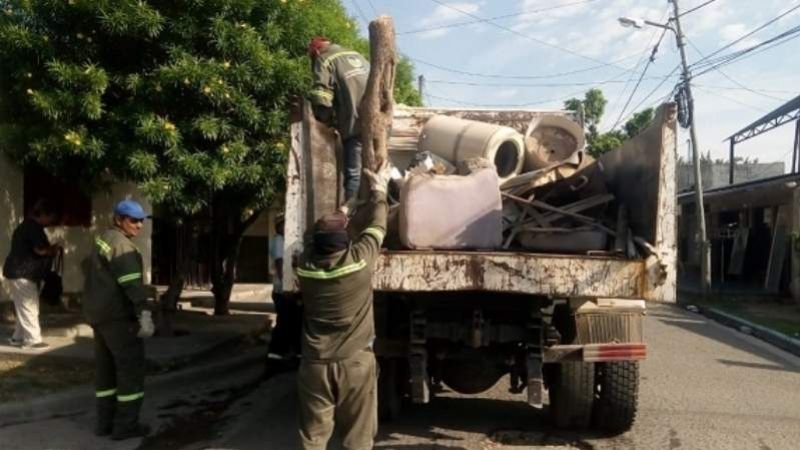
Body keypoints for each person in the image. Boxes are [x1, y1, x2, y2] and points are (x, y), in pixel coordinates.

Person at [296, 162, 391, 450]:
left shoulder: (305, 267)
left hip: (315, 365)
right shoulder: (359, 263)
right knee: (357, 438)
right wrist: (379, 191)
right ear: (345, 242)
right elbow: (378, 225)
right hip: (354, 364)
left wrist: (346, 209)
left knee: (312, 436)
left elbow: (313, 237)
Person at [83, 199, 155, 440]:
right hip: (118, 318)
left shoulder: (104, 239)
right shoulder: (123, 247)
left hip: (99, 316)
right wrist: (144, 313)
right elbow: (132, 284)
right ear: (119, 220)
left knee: (106, 374)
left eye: (142, 220)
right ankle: (125, 427)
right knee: (130, 371)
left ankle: (105, 424)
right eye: (133, 220)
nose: (139, 225)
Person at [307, 36, 370, 204]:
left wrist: (324, 120)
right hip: (381, 122)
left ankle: (350, 219)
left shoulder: (324, 58)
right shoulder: (357, 55)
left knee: (354, 174)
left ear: (316, 52)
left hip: (355, 124)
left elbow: (322, 95)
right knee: (379, 169)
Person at [3, 199, 60, 349]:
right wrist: (53, 250)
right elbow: (40, 250)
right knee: (30, 307)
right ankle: (33, 340)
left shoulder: (26, 226)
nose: (51, 221)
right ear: (42, 214)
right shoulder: (33, 228)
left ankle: (18, 337)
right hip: (24, 273)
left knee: (24, 306)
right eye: (50, 217)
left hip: (17, 271)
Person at [265, 215, 301, 373]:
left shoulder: (286, 241)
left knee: (293, 323)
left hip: (288, 290)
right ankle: (275, 359)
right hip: (283, 291)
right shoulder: (279, 241)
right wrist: (288, 288)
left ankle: (291, 355)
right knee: (285, 324)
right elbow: (281, 266)